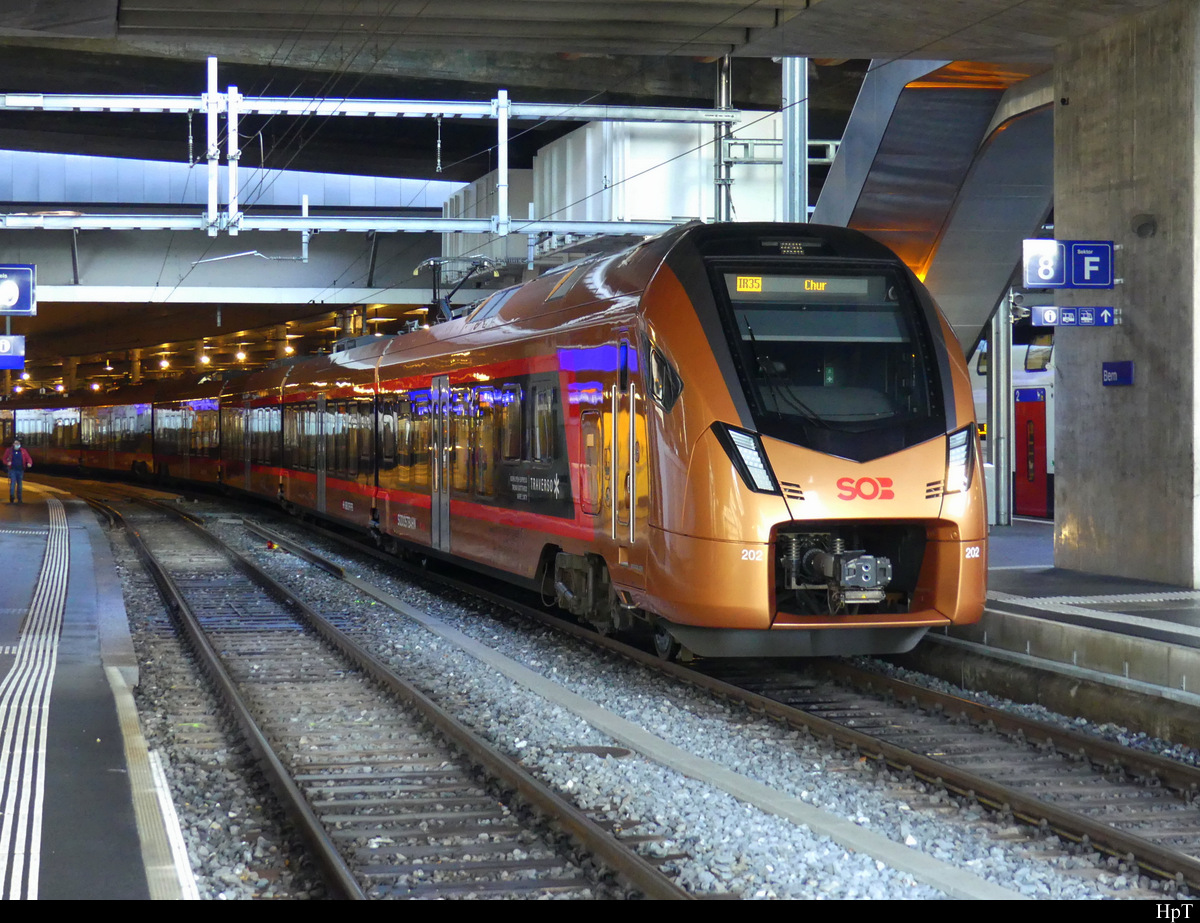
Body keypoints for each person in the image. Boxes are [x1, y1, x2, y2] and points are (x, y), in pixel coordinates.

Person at [3, 438, 32, 503]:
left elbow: (28, 458)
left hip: (20, 470)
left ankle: (19, 498)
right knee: (13, 483)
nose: (17, 445)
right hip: (12, 470)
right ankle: (12, 496)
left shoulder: (23, 451)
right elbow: (4, 459)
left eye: (18, 443)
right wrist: (7, 463)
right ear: (13, 444)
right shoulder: (9, 451)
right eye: (16, 443)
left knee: (20, 485)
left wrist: (29, 463)